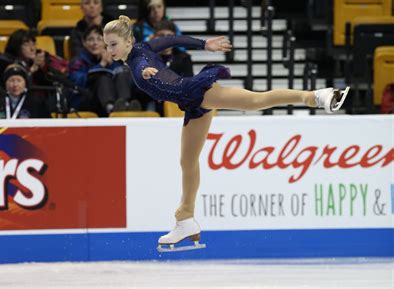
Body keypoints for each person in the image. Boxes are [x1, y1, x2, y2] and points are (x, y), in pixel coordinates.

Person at [103, 16, 350, 250]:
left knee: (256, 101)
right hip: (191, 103)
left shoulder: (139, 59)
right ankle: (185, 219)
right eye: (107, 45)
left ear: (128, 41)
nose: (110, 49)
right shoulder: (141, 50)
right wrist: (203, 44)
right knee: (187, 161)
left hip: (197, 92)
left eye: (114, 44)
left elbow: (155, 55)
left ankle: (317, 96)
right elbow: (172, 41)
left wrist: (152, 68)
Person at [69, 25, 140, 115]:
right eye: (91, 39)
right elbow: (76, 81)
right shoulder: (78, 61)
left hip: (114, 98)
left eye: (99, 39)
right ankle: (111, 108)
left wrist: (111, 63)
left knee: (122, 73)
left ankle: (125, 104)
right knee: (103, 78)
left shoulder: (113, 58)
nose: (95, 43)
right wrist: (101, 65)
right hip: (86, 100)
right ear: (84, 42)